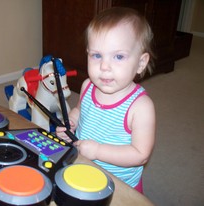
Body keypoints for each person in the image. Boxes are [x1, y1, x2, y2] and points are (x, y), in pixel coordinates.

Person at [56, 7, 156, 193]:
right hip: (83, 166)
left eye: (118, 56)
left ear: (140, 63)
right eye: (96, 55)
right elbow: (79, 110)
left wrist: (98, 151)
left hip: (121, 184)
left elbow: (140, 154)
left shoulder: (141, 106)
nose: (104, 66)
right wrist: (71, 121)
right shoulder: (87, 86)